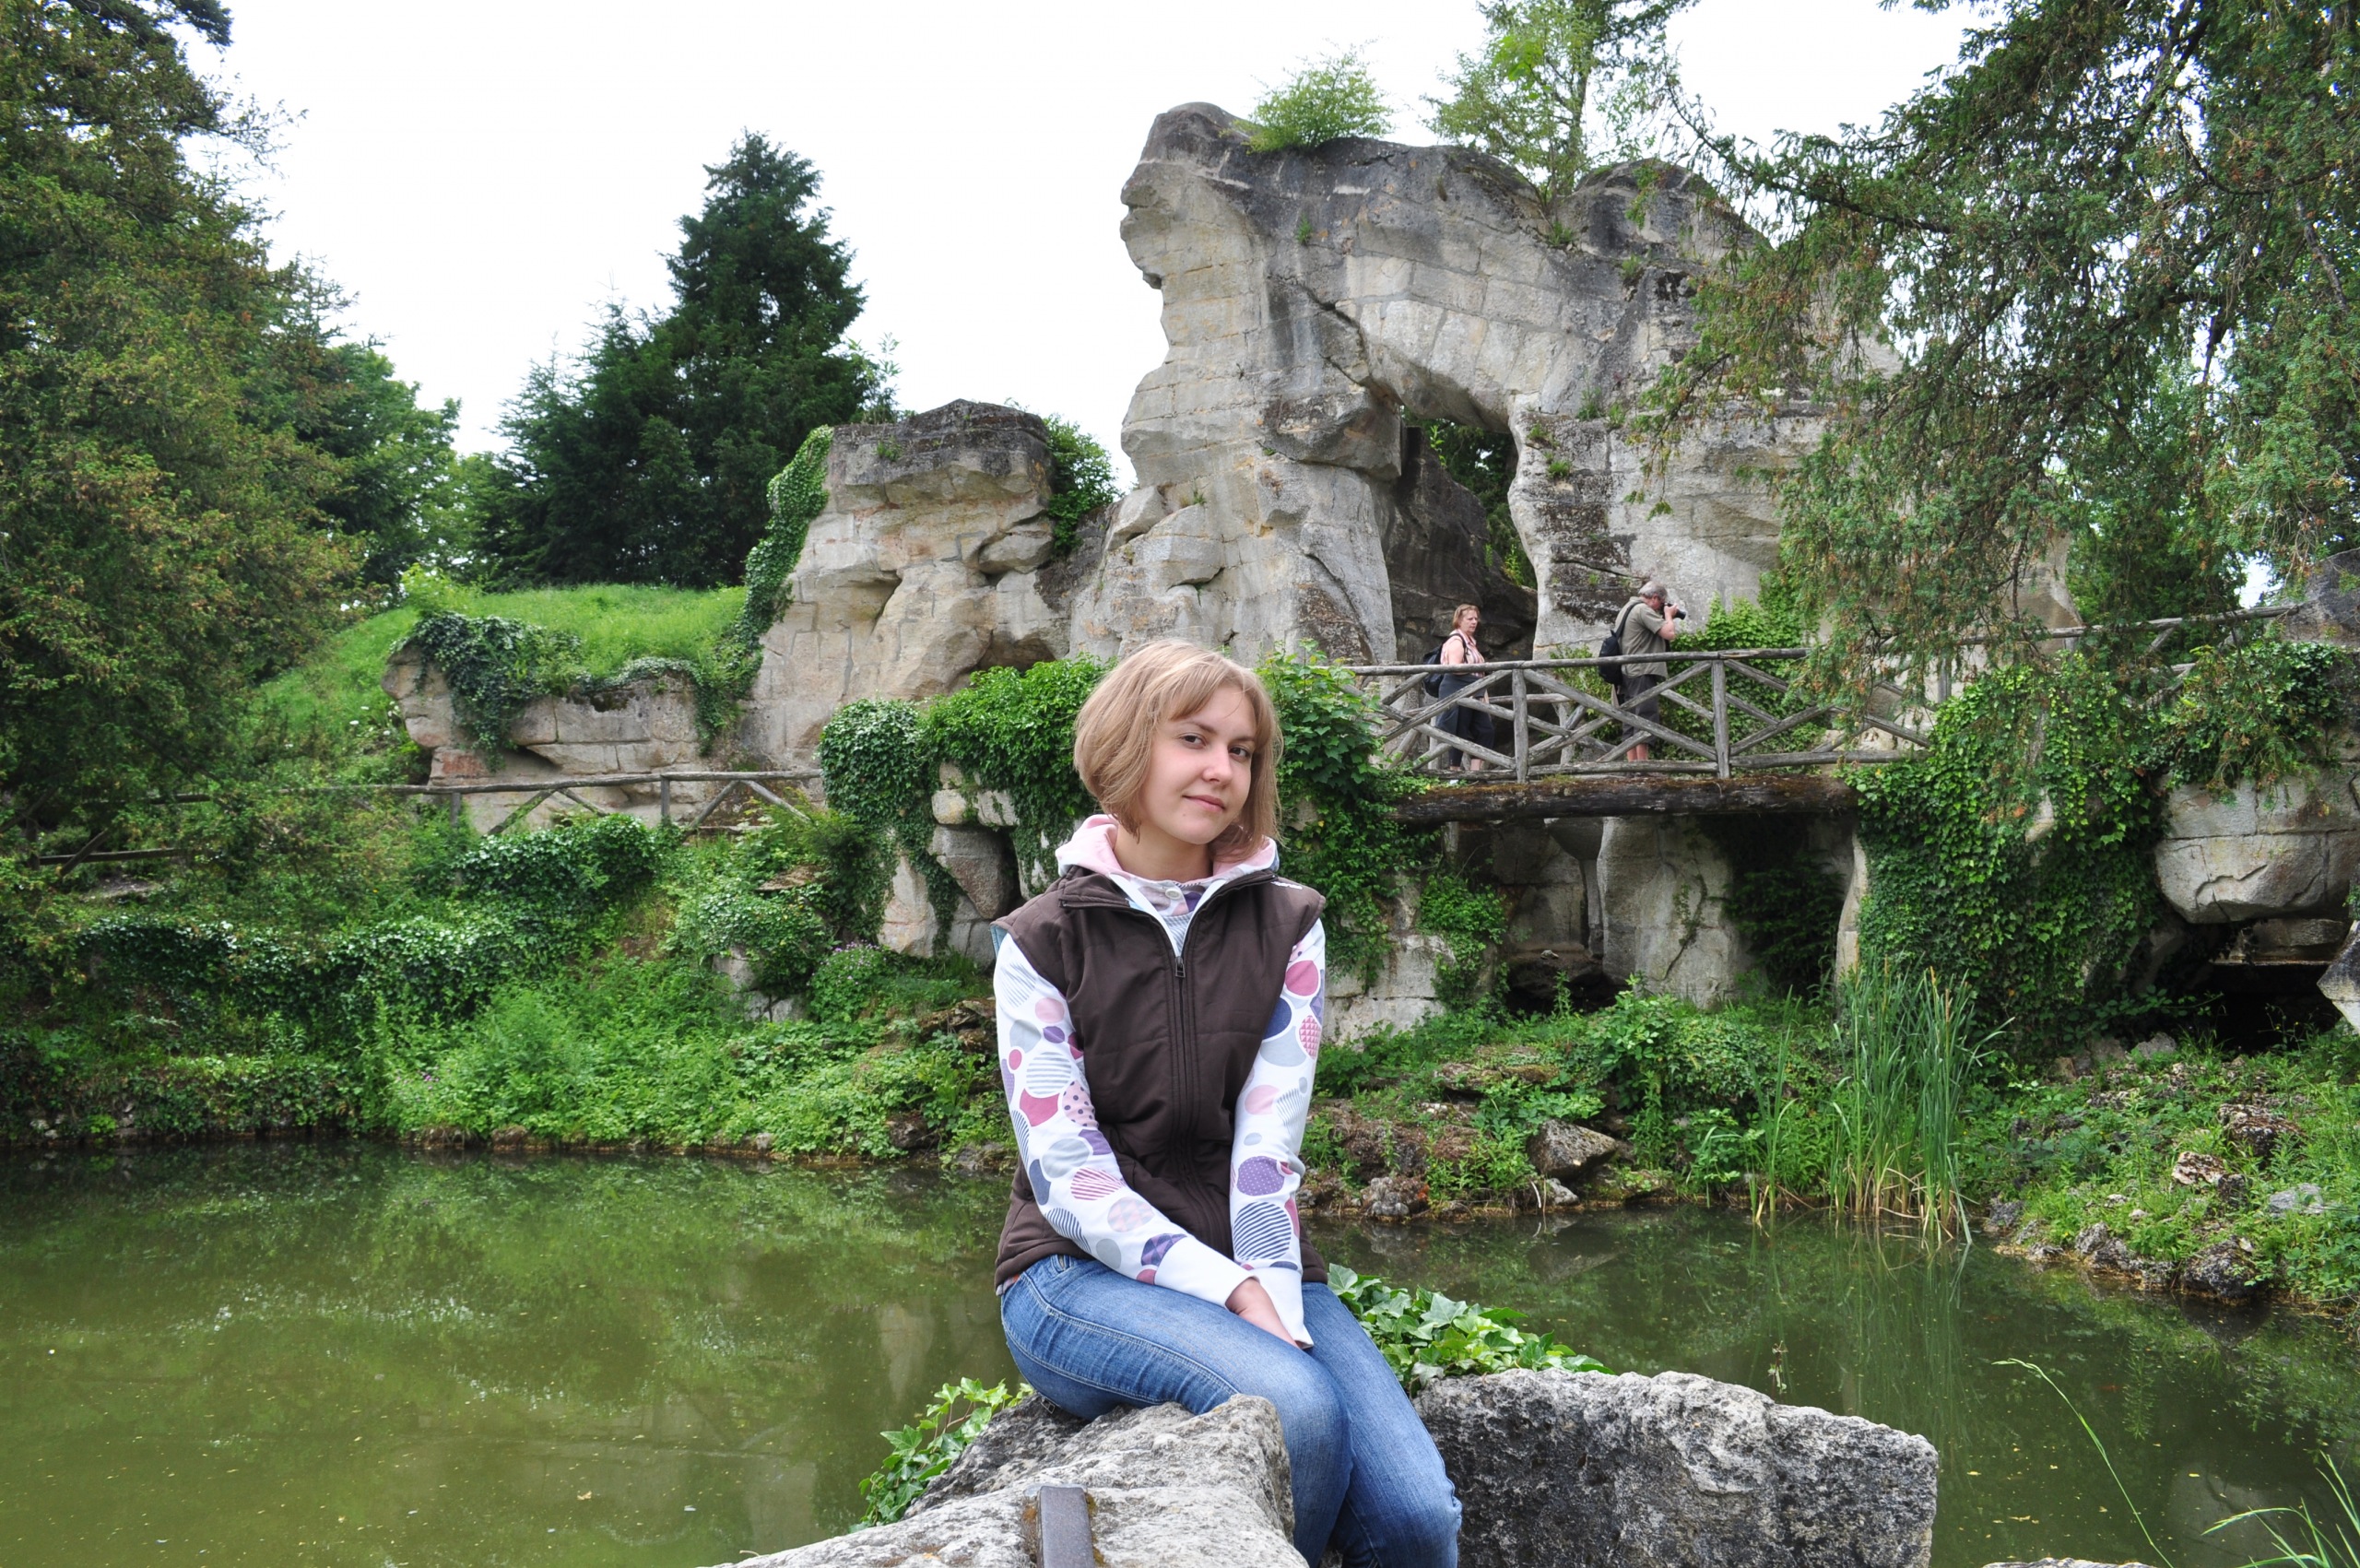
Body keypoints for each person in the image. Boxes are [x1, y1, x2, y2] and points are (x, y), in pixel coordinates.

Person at [990, 640, 1461, 1568]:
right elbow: (1072, 1180)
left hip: (1254, 1251)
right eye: (1193, 739)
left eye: (1241, 751)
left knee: (1416, 1521)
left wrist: (1268, 1289)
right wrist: (1233, 1294)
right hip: (1074, 1277)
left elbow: (1267, 1151)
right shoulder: (1040, 941)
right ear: (1127, 744)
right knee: (1295, 1410)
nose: (1221, 769)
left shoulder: (1289, 924)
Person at [1615, 580, 1681, 762]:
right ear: (1655, 598)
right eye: (1661, 603)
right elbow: (1669, 634)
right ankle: (1643, 766)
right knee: (1644, 717)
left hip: (1627, 671)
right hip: (1641, 671)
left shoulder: (1627, 607)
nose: (1660, 607)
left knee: (1630, 719)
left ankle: (1633, 767)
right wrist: (1668, 615)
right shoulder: (1643, 610)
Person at [1434, 603, 1492, 772]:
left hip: (1474, 691)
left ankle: (1474, 772)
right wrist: (1476, 674)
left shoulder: (1470, 642)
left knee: (1485, 730)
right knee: (1459, 730)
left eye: (1476, 619)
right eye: (1469, 619)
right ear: (1459, 620)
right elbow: (1455, 667)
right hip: (1458, 690)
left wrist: (1482, 692)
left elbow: (1480, 673)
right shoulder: (1456, 640)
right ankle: (1454, 773)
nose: (1474, 622)